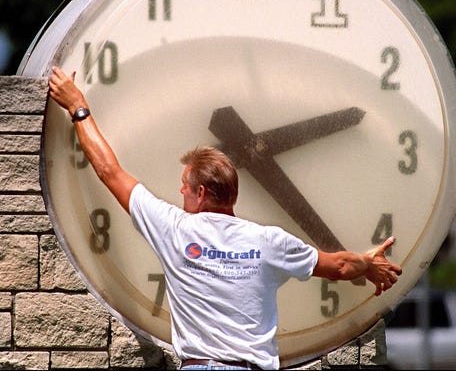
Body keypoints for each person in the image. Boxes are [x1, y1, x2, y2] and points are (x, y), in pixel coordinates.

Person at [48, 66, 402, 371]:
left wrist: (79, 108)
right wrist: (368, 264)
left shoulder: (173, 228)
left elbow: (109, 171)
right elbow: (339, 266)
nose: (180, 191)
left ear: (201, 193)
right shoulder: (269, 241)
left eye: (185, 186)